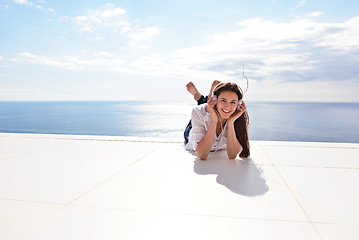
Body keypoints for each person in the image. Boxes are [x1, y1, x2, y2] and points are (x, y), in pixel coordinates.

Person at [184, 81, 250, 160]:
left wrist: (230, 122)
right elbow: (202, 155)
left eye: (233, 102)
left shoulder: (237, 116)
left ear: (238, 104)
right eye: (223, 100)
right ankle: (201, 97)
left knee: (213, 106)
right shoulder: (198, 112)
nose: (228, 106)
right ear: (215, 100)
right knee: (205, 108)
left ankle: (204, 98)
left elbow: (232, 155)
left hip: (214, 107)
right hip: (190, 134)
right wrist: (214, 121)